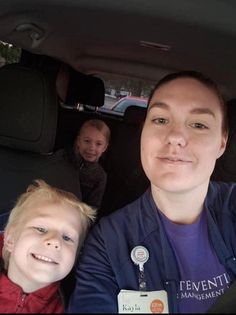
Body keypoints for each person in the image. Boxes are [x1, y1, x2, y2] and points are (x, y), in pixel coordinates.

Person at [67, 70, 236, 314]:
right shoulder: (108, 242)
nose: (176, 136)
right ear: (143, 132)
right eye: (160, 120)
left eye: (198, 124)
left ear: (222, 142)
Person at [0, 179, 96, 313]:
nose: (55, 241)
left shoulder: (73, 307)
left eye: (67, 237)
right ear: (10, 239)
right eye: (41, 229)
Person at [64, 119, 111, 210]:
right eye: (87, 141)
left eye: (98, 144)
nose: (92, 148)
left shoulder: (100, 176)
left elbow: (93, 207)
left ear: (104, 147)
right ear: (78, 141)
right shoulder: (64, 157)